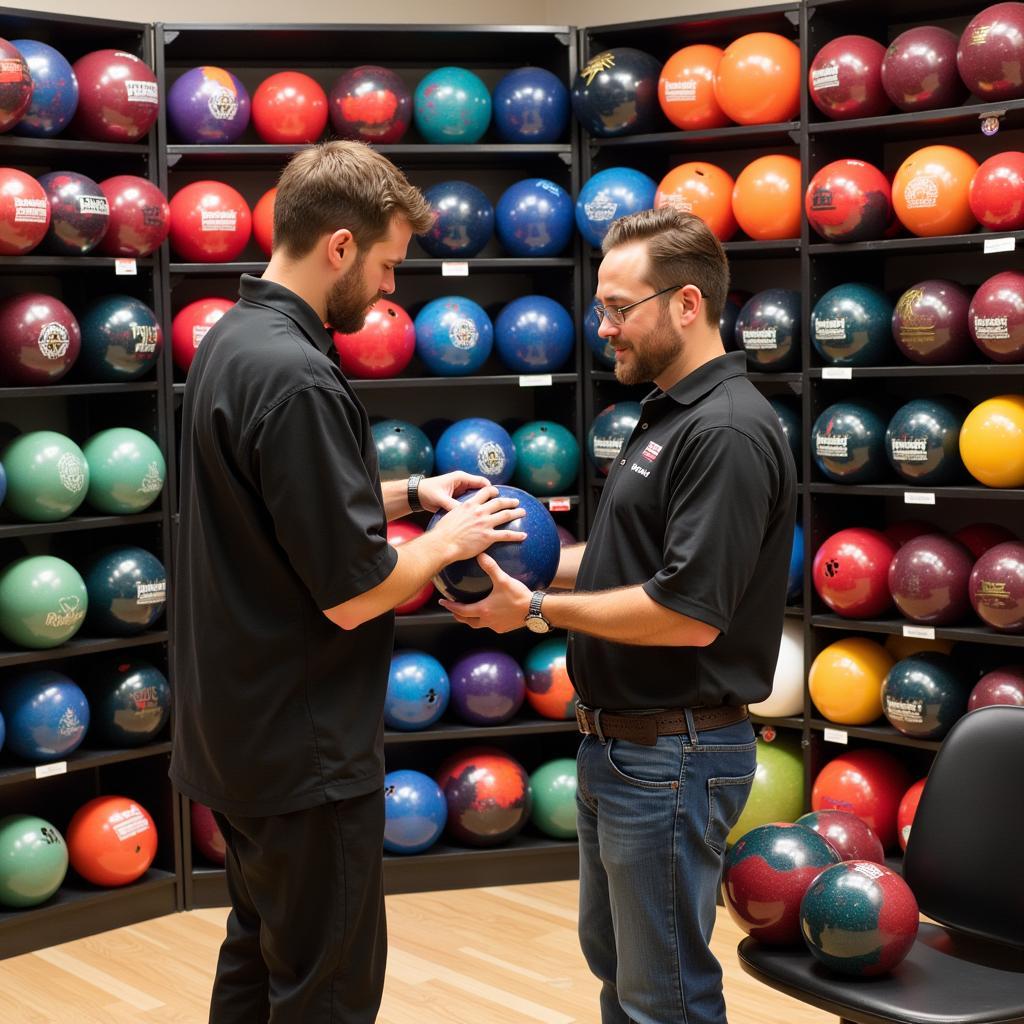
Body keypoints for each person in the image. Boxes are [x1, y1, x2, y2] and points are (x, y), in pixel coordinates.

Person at [170, 140, 526, 1024]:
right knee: (325, 990)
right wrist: (447, 540)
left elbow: (278, 503)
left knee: (256, 963)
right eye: (388, 263)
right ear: (338, 246)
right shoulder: (298, 376)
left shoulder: (232, 340)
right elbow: (355, 591)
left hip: (236, 737)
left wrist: (410, 491)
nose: (393, 288)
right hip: (306, 752)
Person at [441, 206, 797, 1024]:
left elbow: (688, 613)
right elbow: (617, 564)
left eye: (618, 307)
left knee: (661, 998)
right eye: (602, 307)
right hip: (620, 746)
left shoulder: (729, 431)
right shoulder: (665, 412)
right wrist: (500, 560)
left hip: (673, 750)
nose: (604, 328)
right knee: (624, 978)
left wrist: (530, 607)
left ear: (685, 304)